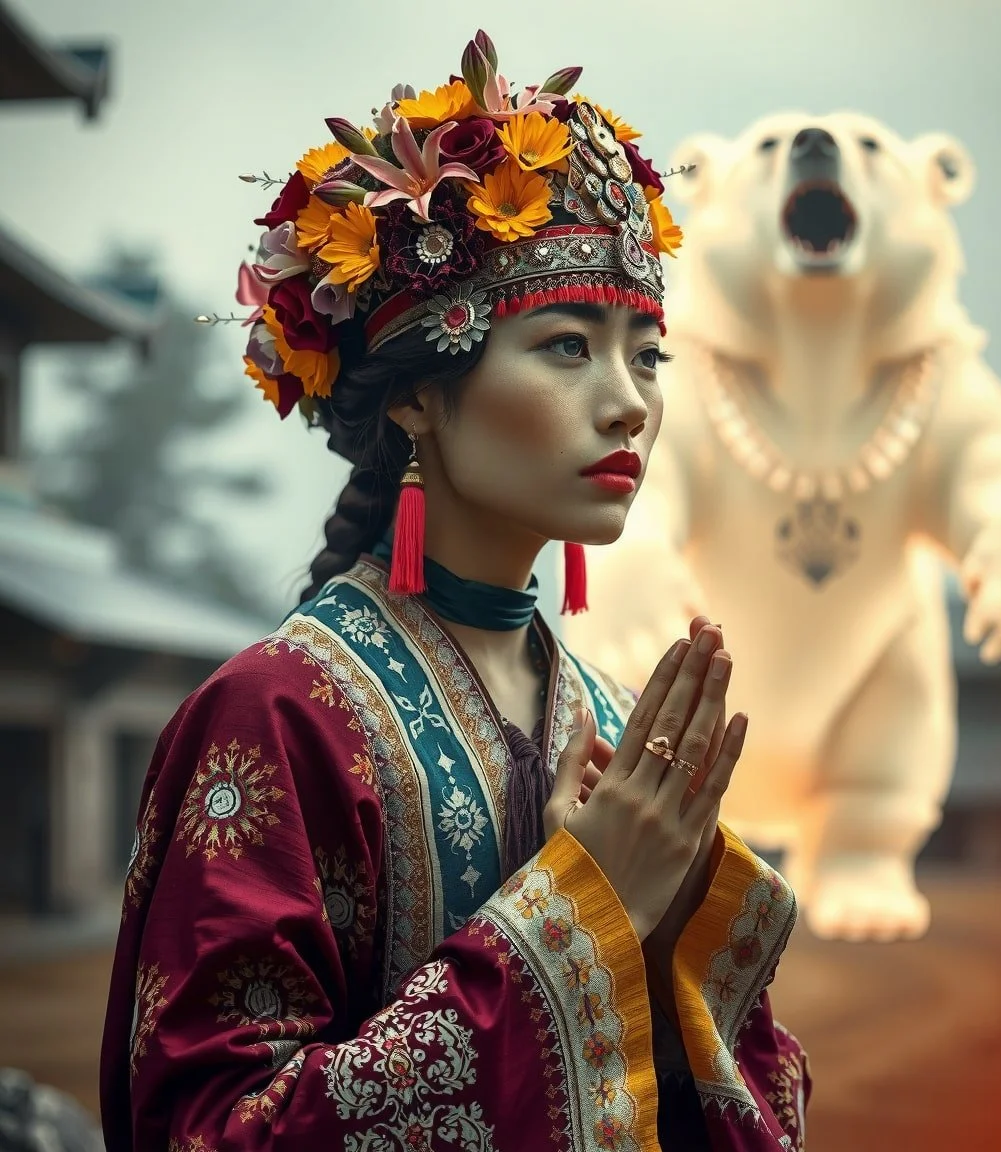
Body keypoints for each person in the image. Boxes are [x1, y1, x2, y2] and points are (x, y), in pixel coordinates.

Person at [100, 32, 811, 1152]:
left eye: (647, 356)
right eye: (568, 346)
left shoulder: (616, 728)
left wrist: (672, 949)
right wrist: (582, 911)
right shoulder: (280, 716)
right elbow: (210, 1131)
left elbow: (737, 1096)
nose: (628, 404)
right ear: (417, 400)